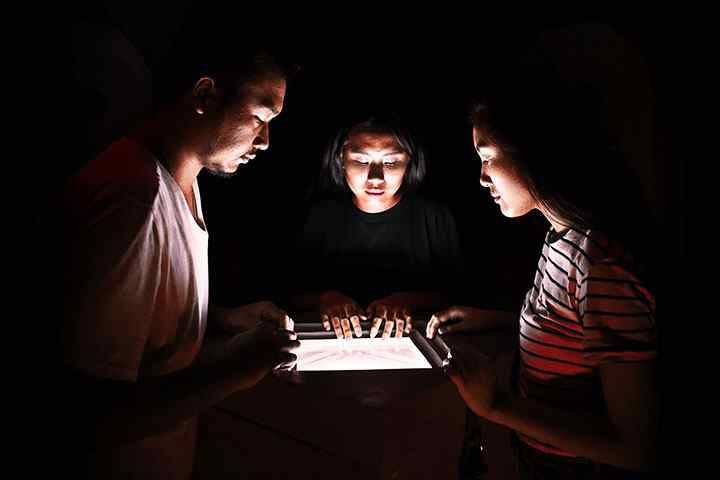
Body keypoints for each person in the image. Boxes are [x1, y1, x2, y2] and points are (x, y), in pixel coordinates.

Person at [60, 51, 299, 479]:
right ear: (205, 94)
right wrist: (232, 370)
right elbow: (86, 414)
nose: (264, 141)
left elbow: (141, 343)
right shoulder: (133, 198)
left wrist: (223, 324)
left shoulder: (180, 185)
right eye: (259, 118)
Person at [427, 80, 659, 477]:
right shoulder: (560, 237)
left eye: (486, 156)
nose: (482, 177)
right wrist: (498, 320)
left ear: (531, 152)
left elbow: (635, 448)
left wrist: (497, 406)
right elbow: (575, 333)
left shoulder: (600, 265)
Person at [290, 115, 462, 339]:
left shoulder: (433, 216)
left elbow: (456, 292)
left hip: (416, 340)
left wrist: (405, 301)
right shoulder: (319, 216)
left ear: (409, 162)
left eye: (390, 162)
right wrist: (326, 298)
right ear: (341, 159)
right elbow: (289, 291)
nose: (375, 178)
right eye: (361, 161)